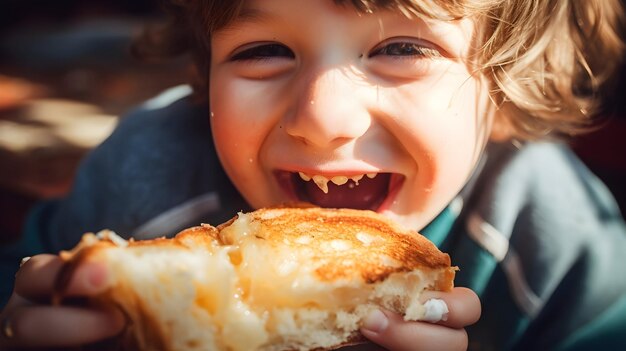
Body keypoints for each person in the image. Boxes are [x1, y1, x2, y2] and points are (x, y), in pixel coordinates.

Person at [1, 0, 625, 350]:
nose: (321, 119)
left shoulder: (557, 237)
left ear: (505, 86)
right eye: (262, 50)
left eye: (402, 49)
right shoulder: (141, 175)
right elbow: (20, 279)